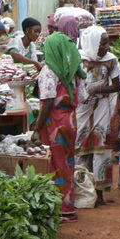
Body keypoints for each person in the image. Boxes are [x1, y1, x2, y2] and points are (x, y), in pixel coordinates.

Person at [31, 32, 87, 223]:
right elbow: (83, 96)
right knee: (67, 162)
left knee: (56, 164)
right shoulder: (72, 69)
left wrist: (37, 128)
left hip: (53, 122)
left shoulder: (49, 71)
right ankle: (68, 204)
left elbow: (47, 102)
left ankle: (61, 209)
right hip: (70, 121)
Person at [75, 26, 120, 205]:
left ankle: (99, 192)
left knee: (100, 146)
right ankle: (81, 190)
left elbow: (117, 85)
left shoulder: (111, 61)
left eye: (106, 43)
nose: (107, 47)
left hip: (102, 106)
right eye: (102, 44)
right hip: (82, 108)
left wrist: (99, 88)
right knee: (80, 146)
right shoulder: (78, 59)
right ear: (92, 43)